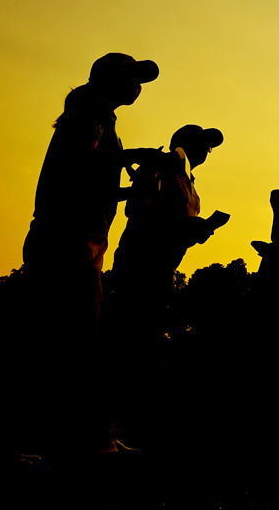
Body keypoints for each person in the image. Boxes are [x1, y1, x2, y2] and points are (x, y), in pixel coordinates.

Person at [17, 52, 162, 456]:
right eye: (132, 78)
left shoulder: (99, 114)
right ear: (109, 80)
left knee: (71, 338)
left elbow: (85, 181)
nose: (137, 88)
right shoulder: (88, 109)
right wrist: (133, 157)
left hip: (82, 238)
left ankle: (68, 434)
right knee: (64, 338)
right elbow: (80, 159)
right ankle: (45, 437)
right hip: (66, 237)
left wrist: (131, 190)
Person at [110, 124, 228, 446]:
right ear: (186, 142)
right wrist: (184, 226)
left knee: (140, 348)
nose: (208, 151)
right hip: (139, 263)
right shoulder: (161, 165)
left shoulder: (191, 185)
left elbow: (176, 232)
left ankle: (116, 427)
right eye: (204, 144)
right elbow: (138, 208)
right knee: (121, 343)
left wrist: (198, 230)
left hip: (163, 268)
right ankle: (100, 427)